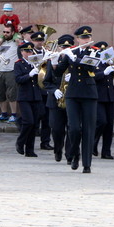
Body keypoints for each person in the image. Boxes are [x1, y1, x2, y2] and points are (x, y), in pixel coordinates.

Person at [61, 26, 99, 173]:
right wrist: (54, 60)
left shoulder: (95, 51)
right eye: (83, 38)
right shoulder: (72, 52)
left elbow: (88, 66)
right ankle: (75, 154)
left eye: (88, 37)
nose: (86, 40)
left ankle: (87, 164)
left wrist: (72, 57)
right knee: (74, 128)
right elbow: (59, 71)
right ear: (77, 39)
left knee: (88, 129)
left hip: (89, 94)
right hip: (72, 94)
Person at [43, 34, 74, 163]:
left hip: (71, 100)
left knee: (72, 129)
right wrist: (54, 90)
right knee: (56, 129)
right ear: (59, 48)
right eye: (63, 47)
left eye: (68, 47)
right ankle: (58, 149)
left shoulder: (74, 61)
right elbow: (46, 82)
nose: (65, 49)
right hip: (56, 100)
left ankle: (69, 154)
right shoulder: (53, 61)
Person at [13, 42, 43, 157]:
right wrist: (29, 75)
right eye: (26, 51)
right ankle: (20, 142)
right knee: (28, 121)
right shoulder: (18, 64)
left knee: (34, 124)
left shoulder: (36, 64)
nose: (29, 53)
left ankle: (29, 149)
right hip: (24, 96)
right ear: (22, 52)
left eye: (30, 51)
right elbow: (18, 79)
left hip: (36, 96)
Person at [0, 22, 20, 123]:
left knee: (12, 94)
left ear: (12, 33)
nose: (5, 34)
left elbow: (22, 42)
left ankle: (14, 114)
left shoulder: (15, 41)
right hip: (1, 70)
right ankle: (3, 114)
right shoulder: (1, 41)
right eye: (4, 32)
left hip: (11, 70)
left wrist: (19, 33)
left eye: (7, 32)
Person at [92, 41, 114, 160]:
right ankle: (93, 143)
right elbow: (92, 77)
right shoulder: (95, 63)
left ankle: (106, 151)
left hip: (110, 96)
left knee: (109, 125)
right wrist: (103, 73)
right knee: (101, 121)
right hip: (98, 96)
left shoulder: (109, 63)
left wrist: (113, 65)